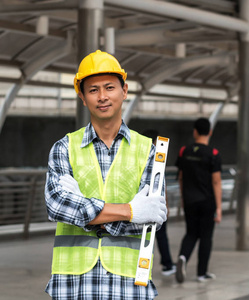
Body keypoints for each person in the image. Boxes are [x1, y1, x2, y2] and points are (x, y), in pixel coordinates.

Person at [44, 50, 168, 299]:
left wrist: (83, 208)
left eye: (109, 87)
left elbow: (149, 220)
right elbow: (57, 206)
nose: (102, 97)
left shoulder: (148, 151)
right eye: (93, 90)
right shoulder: (64, 147)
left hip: (129, 283)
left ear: (124, 91)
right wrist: (131, 211)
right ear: (82, 97)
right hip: (74, 284)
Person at [175, 117, 222, 283]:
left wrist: (183, 198)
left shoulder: (184, 151)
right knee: (206, 237)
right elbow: (216, 181)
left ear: (195, 131)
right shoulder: (213, 154)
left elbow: (180, 178)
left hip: (189, 200)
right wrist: (219, 208)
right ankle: (201, 273)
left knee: (191, 233)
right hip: (207, 201)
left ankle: (182, 257)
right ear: (210, 132)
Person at [143, 129, 176, 277]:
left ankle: (162, 264)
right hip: (152, 204)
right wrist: (166, 205)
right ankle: (167, 264)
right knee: (160, 235)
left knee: (147, 237)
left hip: (144, 204)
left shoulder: (139, 158)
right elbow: (162, 183)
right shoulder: (155, 159)